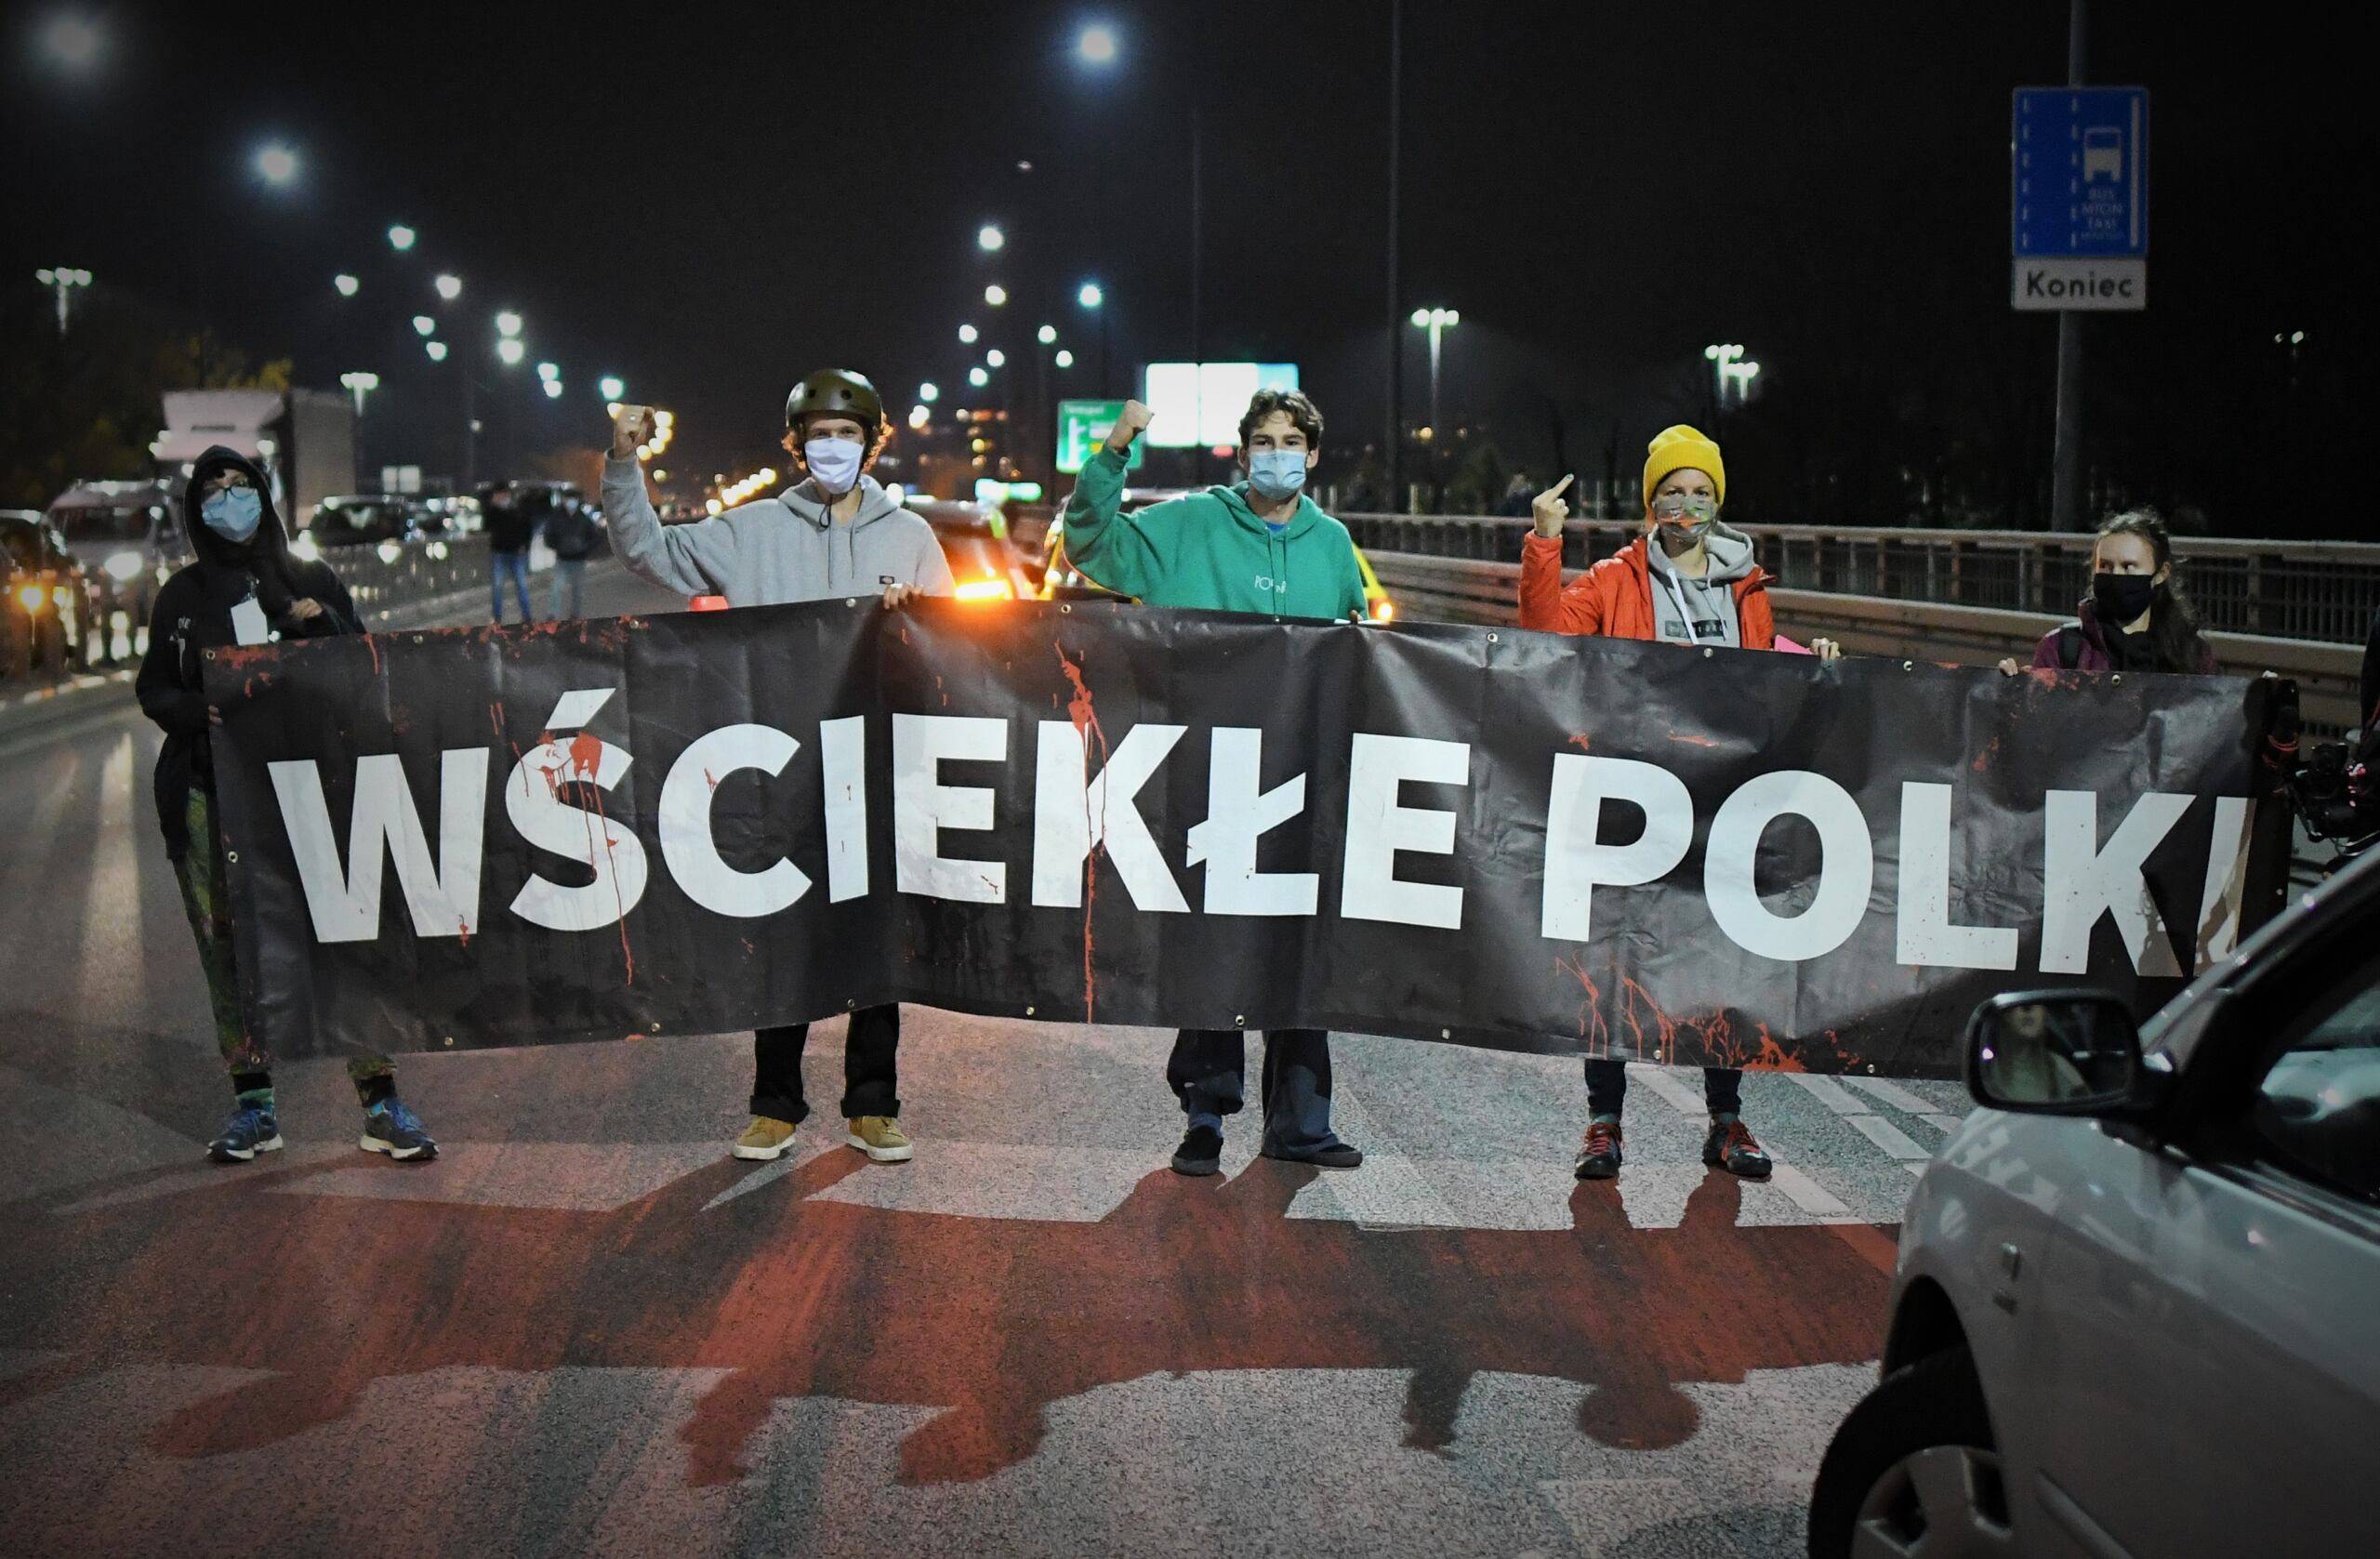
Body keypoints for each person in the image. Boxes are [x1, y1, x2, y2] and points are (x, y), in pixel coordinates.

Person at [602, 369, 952, 1166]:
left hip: (877, 769)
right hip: (780, 769)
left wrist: (918, 618)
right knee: (783, 938)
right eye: (819, 434)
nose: (834, 448)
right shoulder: (748, 530)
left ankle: (873, 1105)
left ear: (872, 443)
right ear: (796, 443)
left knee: (874, 943)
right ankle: (773, 1104)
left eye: (849, 434)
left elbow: (951, 647)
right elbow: (648, 551)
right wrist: (625, 465)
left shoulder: (914, 538)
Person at [1060, 388, 1368, 1178]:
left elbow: (1358, 651)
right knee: (1212, 946)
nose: (1276, 452)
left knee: (1298, 947)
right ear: (1241, 453)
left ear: (1313, 455)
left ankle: (1301, 1122)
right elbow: (1090, 541)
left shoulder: (1332, 543)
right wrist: (1114, 449)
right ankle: (1205, 1115)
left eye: (1290, 440)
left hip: (1301, 779)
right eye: (1262, 439)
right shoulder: (1191, 522)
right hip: (1207, 776)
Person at [1520, 424, 1840, 1182]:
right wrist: (1543, 543)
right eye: (1672, 492)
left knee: (1719, 961)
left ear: (1719, 503)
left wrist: (1811, 664)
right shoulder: (1611, 579)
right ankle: (1604, 1122)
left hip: (1720, 799)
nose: (1686, 505)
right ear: (1650, 502)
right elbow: (1541, 638)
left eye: (1701, 492)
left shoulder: (1746, 584)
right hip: (1634, 800)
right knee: (1616, 959)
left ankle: (1726, 1121)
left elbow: (1760, 668)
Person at [138, 446, 437, 1165]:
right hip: (212, 800)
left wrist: (324, 623)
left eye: (241, 487)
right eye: (212, 491)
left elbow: (364, 666)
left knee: (339, 939)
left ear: (264, 494)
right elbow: (155, 690)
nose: (229, 501)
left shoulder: (310, 578)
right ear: (194, 508)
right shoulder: (182, 597)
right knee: (231, 952)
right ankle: (255, 1106)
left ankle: (381, 1100)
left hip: (309, 795)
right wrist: (203, 709)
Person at [1996, 509, 2219, 676]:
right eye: (2105, 566)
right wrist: (2012, 693)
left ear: (2161, 574)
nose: (2116, 575)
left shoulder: (2192, 653)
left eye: (2128, 566)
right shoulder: (2062, 649)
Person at [540, 494, 600, 619]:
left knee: (577, 591)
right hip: (562, 560)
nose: (570, 502)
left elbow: (594, 536)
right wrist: (557, 546)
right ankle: (552, 615)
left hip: (579, 560)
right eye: (568, 499)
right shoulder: (556, 518)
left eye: (573, 499)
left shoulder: (583, 518)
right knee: (556, 588)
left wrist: (585, 548)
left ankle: (575, 615)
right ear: (564, 500)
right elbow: (548, 535)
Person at [483, 483, 536, 624]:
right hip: (499, 552)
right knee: (497, 587)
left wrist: (526, 545)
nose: (502, 498)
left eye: (503, 495)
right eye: (498, 495)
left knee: (521, 585)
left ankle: (527, 617)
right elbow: (486, 527)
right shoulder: (492, 511)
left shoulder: (518, 510)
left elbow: (527, 529)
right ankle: (497, 618)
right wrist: (492, 507)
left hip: (517, 553)